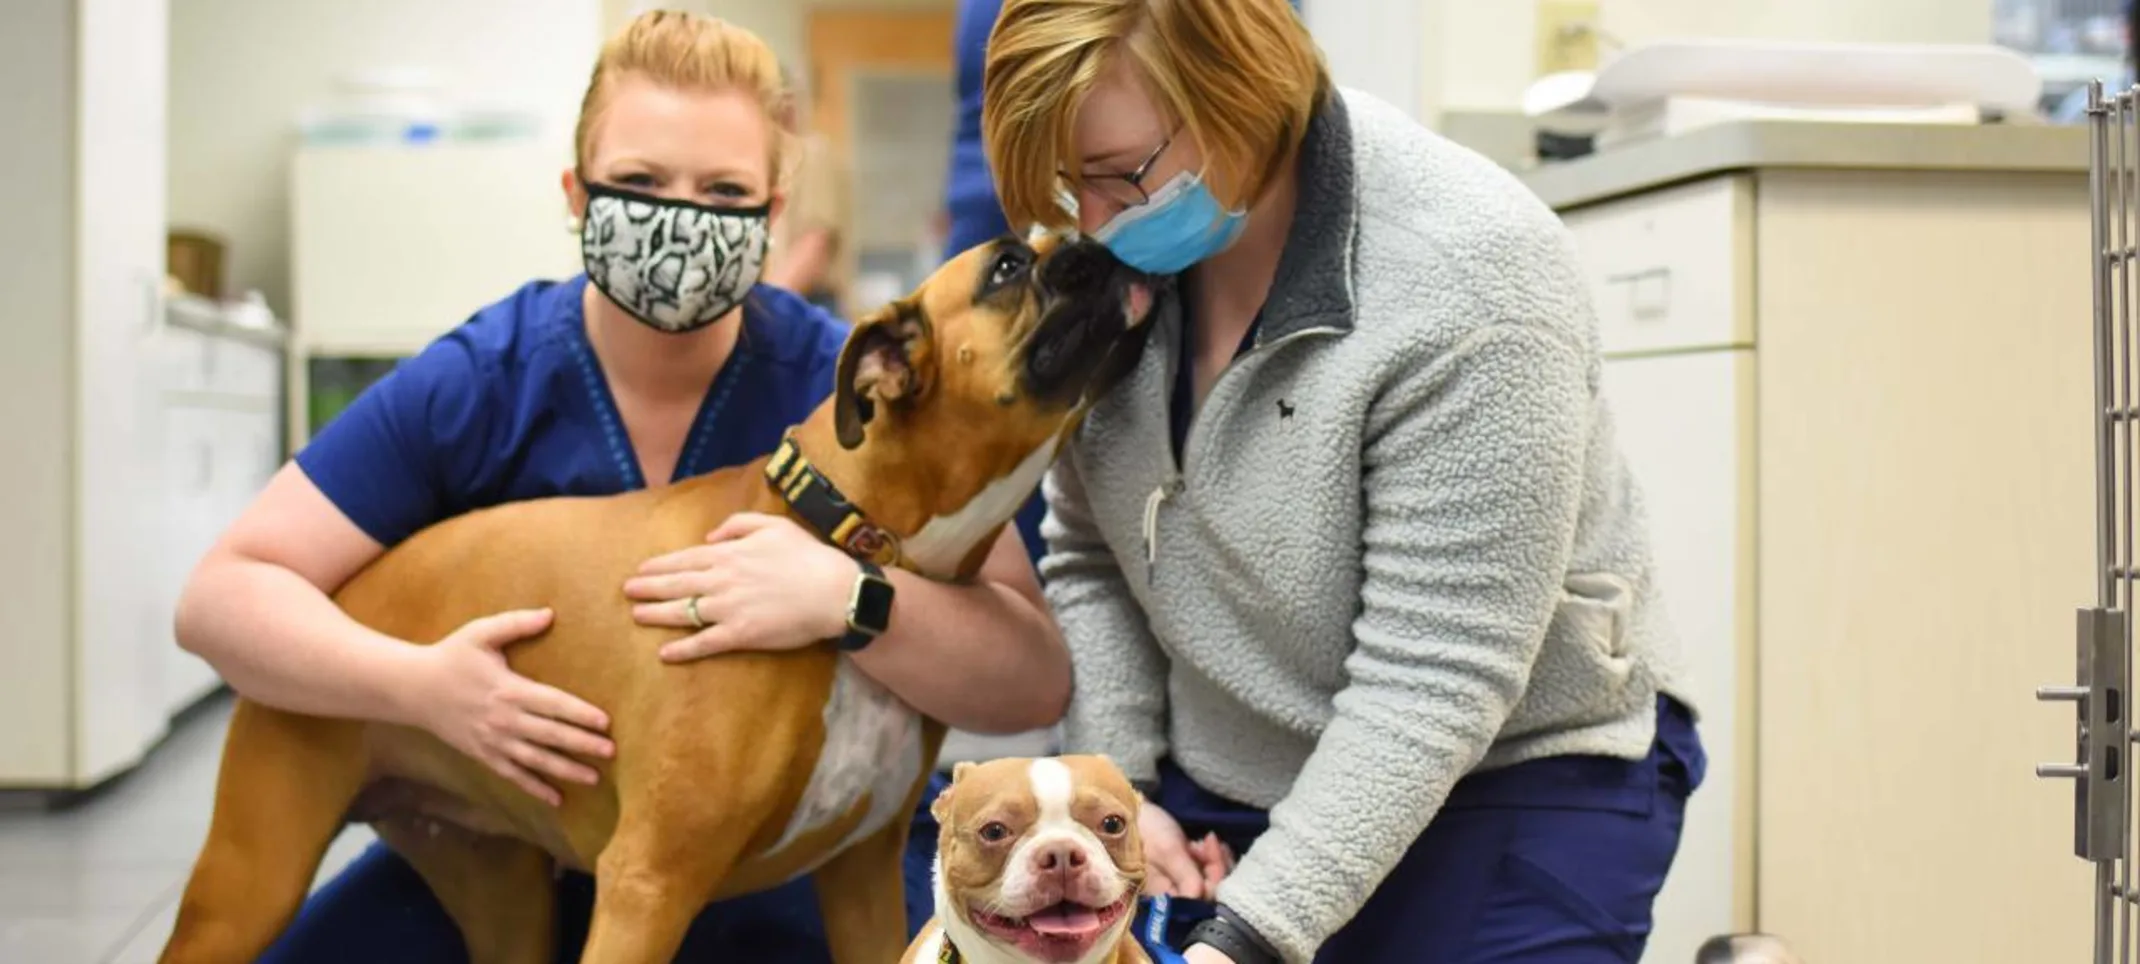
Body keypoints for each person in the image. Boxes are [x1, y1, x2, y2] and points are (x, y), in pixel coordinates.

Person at [172, 11, 1068, 962]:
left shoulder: (837, 379)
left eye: (723, 190)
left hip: (757, 854)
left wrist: (853, 599)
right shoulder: (487, 377)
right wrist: (424, 687)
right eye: (640, 184)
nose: (680, 215)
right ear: (577, 193)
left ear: (772, 215)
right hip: (484, 794)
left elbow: (1032, 675)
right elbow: (220, 599)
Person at [981, 1, 1707, 962]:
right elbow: (1091, 557)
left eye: (1122, 176)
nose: (1099, 226)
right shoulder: (1123, 257)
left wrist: (1245, 939)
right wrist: (1122, 801)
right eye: (1071, 189)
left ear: (1244, 88)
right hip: (1230, 763)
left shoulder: (1471, 280)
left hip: (1505, 771)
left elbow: (1434, 681)